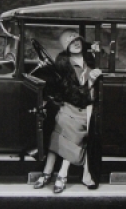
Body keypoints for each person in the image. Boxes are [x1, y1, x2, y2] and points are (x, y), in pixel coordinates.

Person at [33, 29, 102, 193]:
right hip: (69, 104)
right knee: (60, 130)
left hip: (86, 109)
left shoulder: (92, 59)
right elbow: (67, 90)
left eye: (77, 40)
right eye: (71, 42)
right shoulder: (63, 63)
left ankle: (60, 174)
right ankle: (49, 172)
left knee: (72, 135)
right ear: (66, 47)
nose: (76, 44)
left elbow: (93, 92)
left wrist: (98, 52)